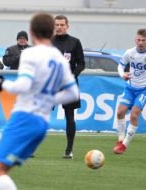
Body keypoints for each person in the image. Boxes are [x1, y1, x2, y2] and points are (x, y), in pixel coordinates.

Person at [0, 13, 79, 190]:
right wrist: (48, 99)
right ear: (52, 31)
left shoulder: (30, 53)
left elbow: (23, 85)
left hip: (24, 117)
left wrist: (4, 85)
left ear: (31, 32)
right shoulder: (60, 59)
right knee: (2, 169)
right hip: (42, 123)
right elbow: (73, 93)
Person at [52, 15, 85, 159]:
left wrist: (72, 76)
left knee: (69, 117)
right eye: (57, 25)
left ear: (67, 26)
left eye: (62, 25)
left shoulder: (75, 42)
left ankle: (69, 150)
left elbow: (81, 63)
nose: (59, 27)